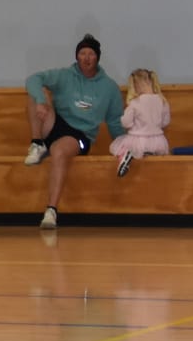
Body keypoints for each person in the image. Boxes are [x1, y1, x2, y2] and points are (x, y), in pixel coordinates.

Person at [22, 34, 124, 229]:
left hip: (80, 136)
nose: (86, 58)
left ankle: (51, 211)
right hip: (56, 124)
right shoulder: (65, 75)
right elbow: (33, 79)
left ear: (97, 58)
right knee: (37, 92)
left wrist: (125, 146)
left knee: (59, 151)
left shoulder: (109, 87)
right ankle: (37, 144)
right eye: (82, 53)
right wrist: (42, 102)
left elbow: (114, 122)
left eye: (91, 54)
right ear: (77, 56)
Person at [109, 69, 171, 176]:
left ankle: (124, 157)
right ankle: (150, 152)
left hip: (138, 140)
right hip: (157, 141)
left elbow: (126, 123)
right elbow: (166, 122)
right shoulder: (162, 101)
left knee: (120, 147)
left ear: (136, 86)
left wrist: (134, 126)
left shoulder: (135, 102)